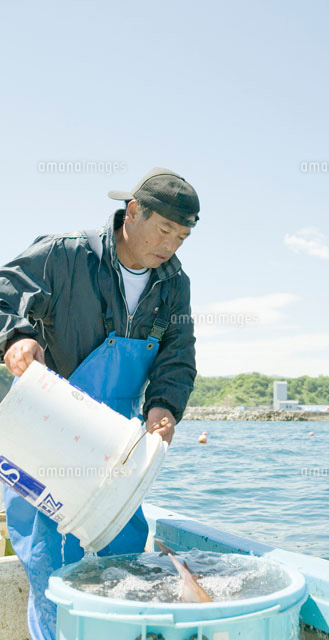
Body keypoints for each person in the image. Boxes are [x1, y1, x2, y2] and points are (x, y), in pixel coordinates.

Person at [0, 167, 199, 639]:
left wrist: (165, 405)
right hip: (45, 436)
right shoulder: (64, 254)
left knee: (123, 562)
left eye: (182, 236)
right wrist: (18, 337)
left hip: (116, 447)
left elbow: (178, 355)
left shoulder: (174, 284)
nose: (170, 245)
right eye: (164, 230)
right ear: (133, 212)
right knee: (51, 566)